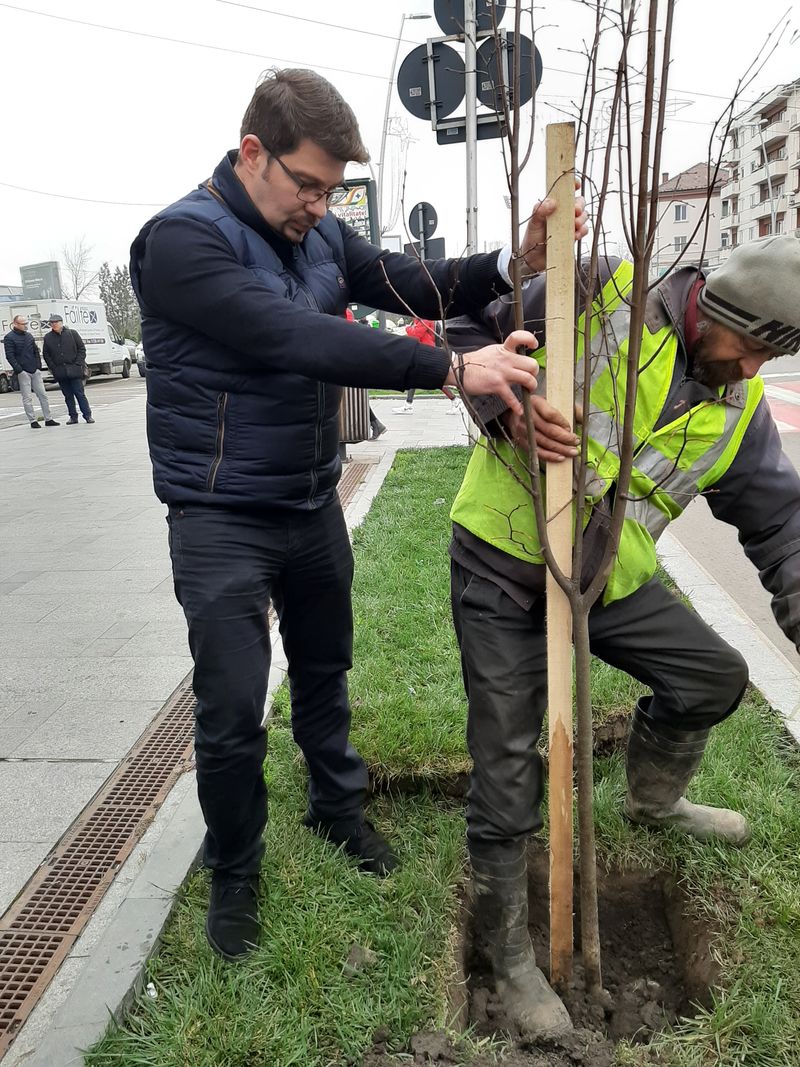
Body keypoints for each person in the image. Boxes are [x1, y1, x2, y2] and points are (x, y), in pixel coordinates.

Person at [129, 66, 587, 963]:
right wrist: (451, 368)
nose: (319, 204)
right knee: (231, 705)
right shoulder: (182, 242)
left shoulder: (321, 235)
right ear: (252, 152)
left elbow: (418, 284)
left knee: (325, 668)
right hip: (219, 515)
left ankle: (336, 810)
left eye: (330, 190)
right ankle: (235, 868)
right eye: (307, 184)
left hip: (308, 499)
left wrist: (516, 262)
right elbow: (289, 335)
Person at [446, 235, 800, 1039]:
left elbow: (783, 527)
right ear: (713, 307)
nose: (752, 369)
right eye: (750, 347)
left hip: (606, 578)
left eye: (770, 358)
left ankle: (655, 801)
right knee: (507, 761)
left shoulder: (738, 407)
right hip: (505, 555)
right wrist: (506, 409)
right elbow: (464, 323)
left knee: (712, 676)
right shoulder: (601, 290)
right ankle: (509, 955)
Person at [393, 318, 462, 415]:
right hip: (422, 351)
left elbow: (416, 334)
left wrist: (408, 328)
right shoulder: (418, 319)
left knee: (435, 379)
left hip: (426, 352)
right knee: (416, 377)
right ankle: (408, 405)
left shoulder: (424, 318)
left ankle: (455, 400)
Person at [2, 314, 59, 428]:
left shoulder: (28, 336)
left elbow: (35, 351)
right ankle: (32, 421)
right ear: (15, 324)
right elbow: (10, 356)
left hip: (34, 370)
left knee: (43, 395)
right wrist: (19, 370)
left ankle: (48, 418)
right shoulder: (9, 338)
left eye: (26, 323)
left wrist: (38, 366)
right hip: (23, 371)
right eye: (23, 324)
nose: (25, 326)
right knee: (27, 397)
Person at [42, 315, 94, 424]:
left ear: (61, 322)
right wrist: (53, 367)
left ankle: (87, 415)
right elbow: (46, 354)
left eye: (56, 322)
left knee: (80, 394)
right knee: (68, 396)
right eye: (52, 323)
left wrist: (78, 363)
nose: (54, 324)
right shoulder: (48, 337)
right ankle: (73, 416)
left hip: (74, 370)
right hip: (60, 371)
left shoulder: (72, 333)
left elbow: (81, 349)